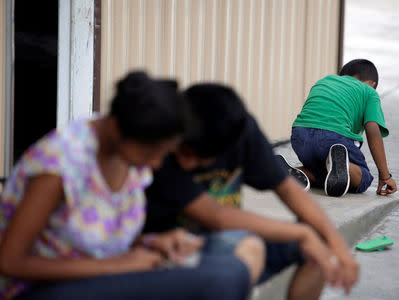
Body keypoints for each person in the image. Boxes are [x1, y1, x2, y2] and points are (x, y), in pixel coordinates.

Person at [0, 72, 254, 300]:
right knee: (222, 281)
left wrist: (152, 242)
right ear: (116, 128)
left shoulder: (124, 153)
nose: (155, 164)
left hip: (96, 276)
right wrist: (120, 265)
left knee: (233, 267)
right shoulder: (60, 164)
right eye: (151, 152)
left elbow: (93, 240)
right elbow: (10, 262)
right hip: (36, 291)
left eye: (163, 153)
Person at [144, 83, 358, 300]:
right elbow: (217, 217)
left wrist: (336, 243)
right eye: (183, 150)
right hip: (171, 247)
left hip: (223, 239)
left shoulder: (239, 131)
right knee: (245, 248)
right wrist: (303, 233)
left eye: (196, 157)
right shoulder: (164, 144)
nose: (186, 162)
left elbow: (288, 189)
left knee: (318, 244)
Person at [289, 58, 397, 197]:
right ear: (372, 84)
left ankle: (294, 172)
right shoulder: (369, 92)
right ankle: (344, 165)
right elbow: (372, 130)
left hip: (299, 136)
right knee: (364, 178)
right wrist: (385, 176)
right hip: (333, 137)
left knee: (324, 169)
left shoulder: (324, 81)